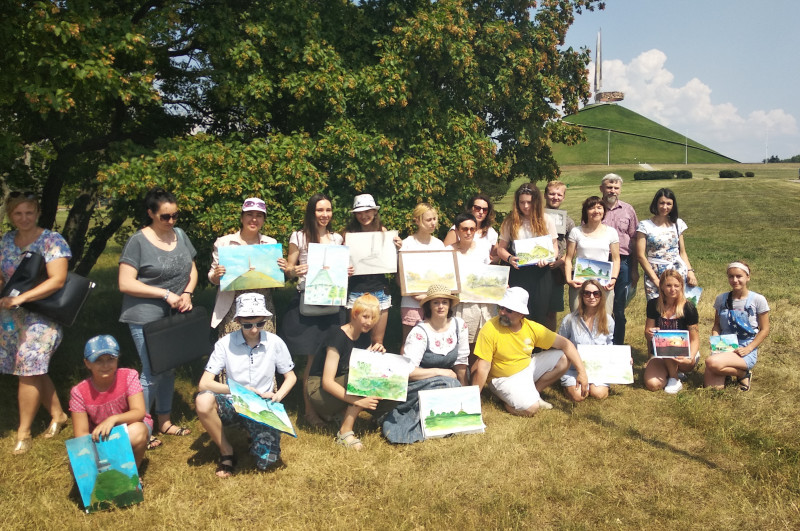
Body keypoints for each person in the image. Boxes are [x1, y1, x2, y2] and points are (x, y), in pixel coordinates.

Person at [118, 187, 197, 448]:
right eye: (165, 216)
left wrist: (187, 293)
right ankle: (143, 427)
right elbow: (125, 283)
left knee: (169, 367)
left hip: (175, 311)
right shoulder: (138, 241)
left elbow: (192, 269)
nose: (171, 221)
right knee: (152, 370)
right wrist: (164, 294)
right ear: (151, 213)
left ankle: (165, 420)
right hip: (145, 314)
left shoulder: (180, 235)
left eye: (175, 215)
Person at [0, 191, 71, 454]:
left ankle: (24, 432)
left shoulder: (51, 240)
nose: (24, 218)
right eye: (18, 213)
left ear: (37, 212)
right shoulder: (6, 241)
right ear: (10, 216)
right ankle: (59, 415)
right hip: (11, 317)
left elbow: (57, 280)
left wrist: (22, 298)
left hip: (42, 315)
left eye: (29, 212)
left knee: (27, 370)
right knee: (33, 369)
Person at [196, 293, 297, 477]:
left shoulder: (275, 342)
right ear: (238, 321)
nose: (254, 330)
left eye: (260, 323)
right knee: (203, 401)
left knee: (267, 461)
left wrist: (277, 396)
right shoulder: (224, 344)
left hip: (262, 406)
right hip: (232, 402)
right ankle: (227, 452)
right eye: (248, 325)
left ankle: (253, 433)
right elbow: (204, 383)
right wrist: (237, 390)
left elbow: (290, 377)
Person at [280, 193, 346, 428]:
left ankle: (326, 407)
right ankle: (309, 412)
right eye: (320, 210)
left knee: (331, 359)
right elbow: (289, 268)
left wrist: (345, 271)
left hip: (333, 305)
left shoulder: (337, 238)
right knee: (312, 360)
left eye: (328, 210)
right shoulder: (298, 236)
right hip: (309, 304)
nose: (324, 215)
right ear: (311, 211)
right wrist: (294, 270)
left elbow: (340, 268)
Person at [471, 287, 588, 415]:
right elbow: (483, 367)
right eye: (501, 307)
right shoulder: (490, 328)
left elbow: (567, 345)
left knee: (564, 358)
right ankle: (509, 402)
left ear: (521, 314)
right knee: (531, 408)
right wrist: (473, 399)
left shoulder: (531, 328)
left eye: (508, 310)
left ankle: (534, 392)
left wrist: (582, 373)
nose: (502, 312)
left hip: (527, 368)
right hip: (502, 378)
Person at [382, 284, 468, 444]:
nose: (441, 306)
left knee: (452, 384)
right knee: (448, 383)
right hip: (418, 384)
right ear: (429, 306)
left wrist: (466, 393)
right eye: (436, 302)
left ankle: (445, 422)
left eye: (444, 302)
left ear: (450, 305)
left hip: (448, 381)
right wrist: (440, 372)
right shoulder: (420, 332)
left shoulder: (459, 326)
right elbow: (409, 372)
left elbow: (461, 363)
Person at [306, 294, 388, 451]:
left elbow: (363, 365)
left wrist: (376, 354)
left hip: (341, 384)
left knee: (373, 375)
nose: (369, 322)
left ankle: (343, 414)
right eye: (365, 317)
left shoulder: (364, 337)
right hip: (319, 390)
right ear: (355, 314)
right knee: (362, 378)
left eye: (373, 318)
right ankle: (345, 432)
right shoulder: (337, 336)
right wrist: (358, 401)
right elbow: (327, 382)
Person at [208, 197, 288, 336]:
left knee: (264, 346)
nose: (254, 219)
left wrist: (282, 268)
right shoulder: (224, 243)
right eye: (249, 214)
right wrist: (216, 275)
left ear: (264, 220)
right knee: (233, 347)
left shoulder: (270, 244)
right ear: (242, 218)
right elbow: (212, 277)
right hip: (233, 307)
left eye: (259, 216)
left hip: (263, 307)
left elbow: (275, 278)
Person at [69, 335, 151, 468]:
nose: (106, 365)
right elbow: (81, 434)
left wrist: (113, 419)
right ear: (87, 363)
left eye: (111, 359)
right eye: (98, 360)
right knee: (75, 465)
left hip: (130, 427)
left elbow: (139, 412)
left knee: (138, 430)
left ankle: (131, 472)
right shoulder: (78, 392)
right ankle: (109, 469)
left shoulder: (129, 376)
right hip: (100, 436)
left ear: (117, 358)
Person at [342, 193, 401, 345]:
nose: (364, 216)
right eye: (359, 213)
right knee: (352, 339)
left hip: (380, 290)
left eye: (367, 211)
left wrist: (397, 248)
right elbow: (341, 263)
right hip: (356, 290)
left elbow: (390, 261)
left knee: (377, 341)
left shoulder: (384, 232)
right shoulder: (348, 235)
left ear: (375, 212)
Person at [497, 183, 558, 325]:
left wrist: (549, 259)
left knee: (539, 314)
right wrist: (509, 258)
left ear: (536, 202)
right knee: (517, 313)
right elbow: (501, 249)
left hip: (541, 273)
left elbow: (555, 248)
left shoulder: (546, 219)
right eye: (522, 202)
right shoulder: (510, 221)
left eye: (529, 202)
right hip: (518, 272)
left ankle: (537, 340)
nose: (525, 206)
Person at [704, 262, 770, 391]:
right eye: (731, 276)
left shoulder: (758, 300)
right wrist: (716, 340)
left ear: (748, 277)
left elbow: (765, 329)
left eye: (739, 276)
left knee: (712, 362)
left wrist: (749, 348)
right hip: (724, 345)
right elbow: (716, 325)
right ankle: (735, 372)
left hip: (745, 347)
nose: (735, 280)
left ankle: (742, 372)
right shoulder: (721, 299)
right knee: (713, 389)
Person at [635, 188, 698, 301]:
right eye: (662, 203)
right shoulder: (644, 226)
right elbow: (640, 256)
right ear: (656, 203)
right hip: (655, 271)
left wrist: (690, 272)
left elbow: (682, 252)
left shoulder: (677, 224)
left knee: (678, 305)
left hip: (677, 270)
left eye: (669, 204)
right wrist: (655, 280)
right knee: (656, 306)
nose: (665, 207)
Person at [643, 270, 699, 394]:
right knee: (653, 384)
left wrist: (691, 357)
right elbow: (647, 334)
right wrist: (650, 333)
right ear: (661, 286)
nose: (672, 289)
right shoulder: (653, 304)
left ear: (681, 286)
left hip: (684, 352)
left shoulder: (689, 308)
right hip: (660, 353)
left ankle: (674, 377)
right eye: (668, 285)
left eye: (676, 286)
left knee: (668, 346)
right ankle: (670, 372)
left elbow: (695, 339)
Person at [558, 280, 615, 401]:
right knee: (579, 396)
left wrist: (622, 359)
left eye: (596, 293)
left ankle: (593, 386)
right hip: (574, 368)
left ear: (601, 296)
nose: (591, 297)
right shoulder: (569, 320)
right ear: (582, 296)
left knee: (599, 394)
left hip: (598, 367)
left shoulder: (608, 320)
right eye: (587, 293)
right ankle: (568, 386)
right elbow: (560, 346)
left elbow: (609, 344)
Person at [599, 173, 639, 345]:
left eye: (616, 188)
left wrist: (634, 269)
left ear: (620, 190)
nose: (612, 191)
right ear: (601, 188)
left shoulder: (628, 210)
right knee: (598, 304)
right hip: (600, 262)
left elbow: (635, 239)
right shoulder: (595, 208)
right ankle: (599, 343)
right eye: (609, 187)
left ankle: (617, 345)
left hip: (623, 262)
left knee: (619, 308)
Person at [399, 203, 445, 348]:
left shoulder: (439, 245)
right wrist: (416, 295)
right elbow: (400, 278)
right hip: (411, 303)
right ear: (417, 221)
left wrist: (432, 296)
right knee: (409, 342)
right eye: (428, 220)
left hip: (434, 302)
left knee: (434, 343)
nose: (433, 223)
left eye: (434, 219)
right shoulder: (406, 244)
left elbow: (443, 275)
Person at [564, 196, 620, 314]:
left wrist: (613, 279)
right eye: (591, 208)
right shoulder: (576, 231)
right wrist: (569, 279)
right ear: (586, 211)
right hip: (580, 283)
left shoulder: (611, 232)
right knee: (577, 318)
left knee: (604, 318)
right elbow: (568, 258)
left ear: (604, 211)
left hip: (603, 284)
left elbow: (616, 259)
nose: (596, 211)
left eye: (599, 207)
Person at [448, 213, 495, 351]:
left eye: (472, 229)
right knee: (462, 345)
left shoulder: (483, 249)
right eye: (464, 229)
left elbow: (487, 274)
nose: (468, 232)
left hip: (482, 304)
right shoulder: (448, 251)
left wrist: (498, 285)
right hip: (460, 305)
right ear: (457, 230)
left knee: (481, 345)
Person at [544, 181, 576, 331]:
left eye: (559, 194)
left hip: (556, 271)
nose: (555, 197)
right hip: (535, 268)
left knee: (551, 311)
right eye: (551, 193)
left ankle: (549, 342)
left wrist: (560, 262)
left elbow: (572, 249)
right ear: (545, 195)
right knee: (532, 308)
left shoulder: (568, 222)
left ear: (563, 197)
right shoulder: (534, 217)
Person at [442, 193, 498, 260]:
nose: (481, 212)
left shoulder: (491, 232)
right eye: (477, 208)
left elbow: (496, 256)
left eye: (485, 210)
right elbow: (444, 254)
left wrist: (489, 260)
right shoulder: (457, 229)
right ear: (470, 208)